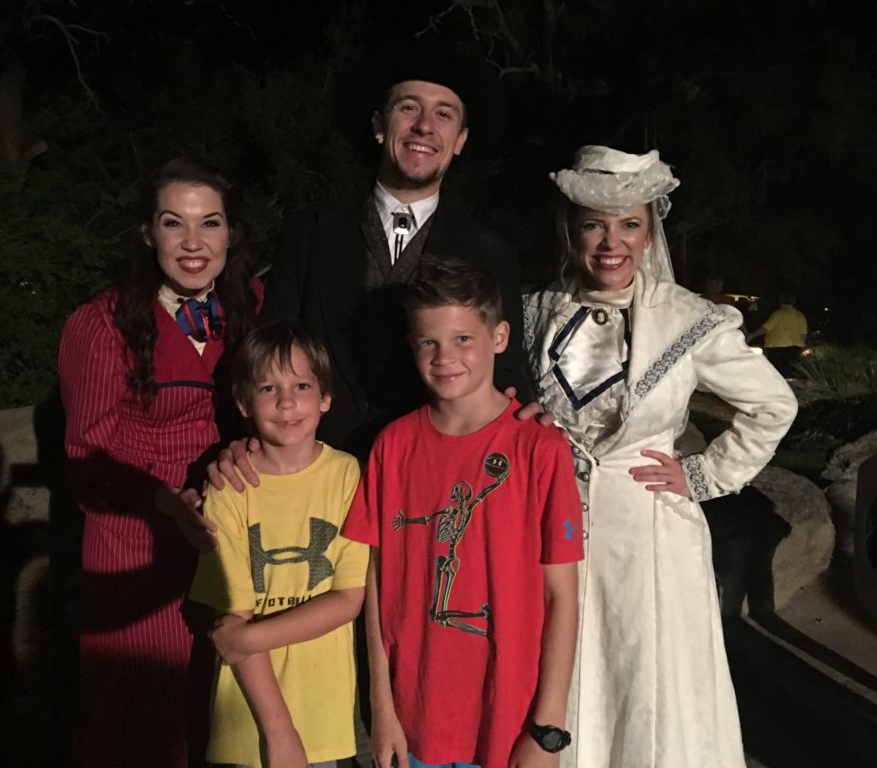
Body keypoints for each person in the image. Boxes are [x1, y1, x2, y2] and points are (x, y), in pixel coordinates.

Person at [521, 146, 799, 767]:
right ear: (571, 229)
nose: (610, 243)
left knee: (646, 683)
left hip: (649, 534)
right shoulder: (538, 311)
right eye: (594, 223)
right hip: (555, 531)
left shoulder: (686, 320)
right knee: (565, 672)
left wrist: (703, 474)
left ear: (651, 232)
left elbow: (773, 405)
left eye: (629, 225)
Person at [58, 157, 262, 768]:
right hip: (136, 548)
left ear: (231, 234)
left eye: (211, 224)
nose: (194, 243)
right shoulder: (100, 324)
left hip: (220, 543)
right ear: (149, 235)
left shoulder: (251, 307)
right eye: (175, 224)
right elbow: (85, 460)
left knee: (218, 717)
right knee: (139, 723)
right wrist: (163, 502)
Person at [238, 40, 527, 470]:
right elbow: (271, 357)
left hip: (439, 476)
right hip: (318, 470)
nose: (425, 126)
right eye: (409, 107)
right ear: (379, 124)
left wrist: (530, 416)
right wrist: (248, 444)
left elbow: (509, 376)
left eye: (444, 114)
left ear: (461, 140)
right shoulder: (309, 232)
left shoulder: (491, 252)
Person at [343, 257, 584, 768]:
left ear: (499, 337)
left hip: (509, 725)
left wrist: (548, 731)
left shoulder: (540, 449)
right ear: (411, 345)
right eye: (429, 341)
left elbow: (561, 596)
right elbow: (376, 586)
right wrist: (382, 710)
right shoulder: (392, 446)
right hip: (415, 726)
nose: (444, 356)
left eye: (462, 339)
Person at [189, 321, 367, 768]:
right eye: (268, 388)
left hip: (325, 724)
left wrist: (244, 639)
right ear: (243, 403)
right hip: (247, 727)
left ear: (326, 397)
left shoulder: (349, 478)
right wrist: (279, 731)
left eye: (302, 385)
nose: (286, 402)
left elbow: (348, 599)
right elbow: (232, 613)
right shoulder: (227, 489)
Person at [745, 292, 808, 377]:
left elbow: (766, 328)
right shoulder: (800, 315)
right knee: (791, 373)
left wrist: (751, 335)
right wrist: (801, 347)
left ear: (780, 301)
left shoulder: (778, 313)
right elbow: (803, 334)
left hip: (776, 348)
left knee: (777, 374)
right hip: (794, 349)